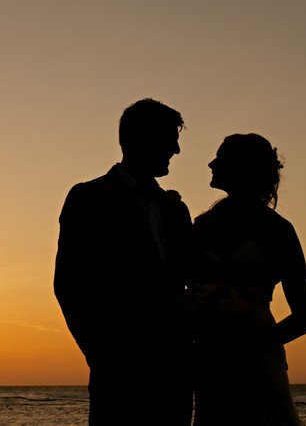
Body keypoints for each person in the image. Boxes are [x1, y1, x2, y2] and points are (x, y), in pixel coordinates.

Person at [54, 98, 193, 425]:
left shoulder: (175, 209)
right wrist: (99, 354)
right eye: (170, 140)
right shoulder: (89, 198)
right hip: (117, 372)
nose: (176, 150)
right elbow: (69, 285)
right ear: (142, 139)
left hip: (175, 371)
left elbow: (188, 280)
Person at [191, 133, 306, 425]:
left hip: (258, 359)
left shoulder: (278, 230)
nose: (211, 164)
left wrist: (250, 346)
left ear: (242, 169)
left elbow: (305, 317)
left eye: (220, 159)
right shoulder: (203, 225)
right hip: (209, 356)